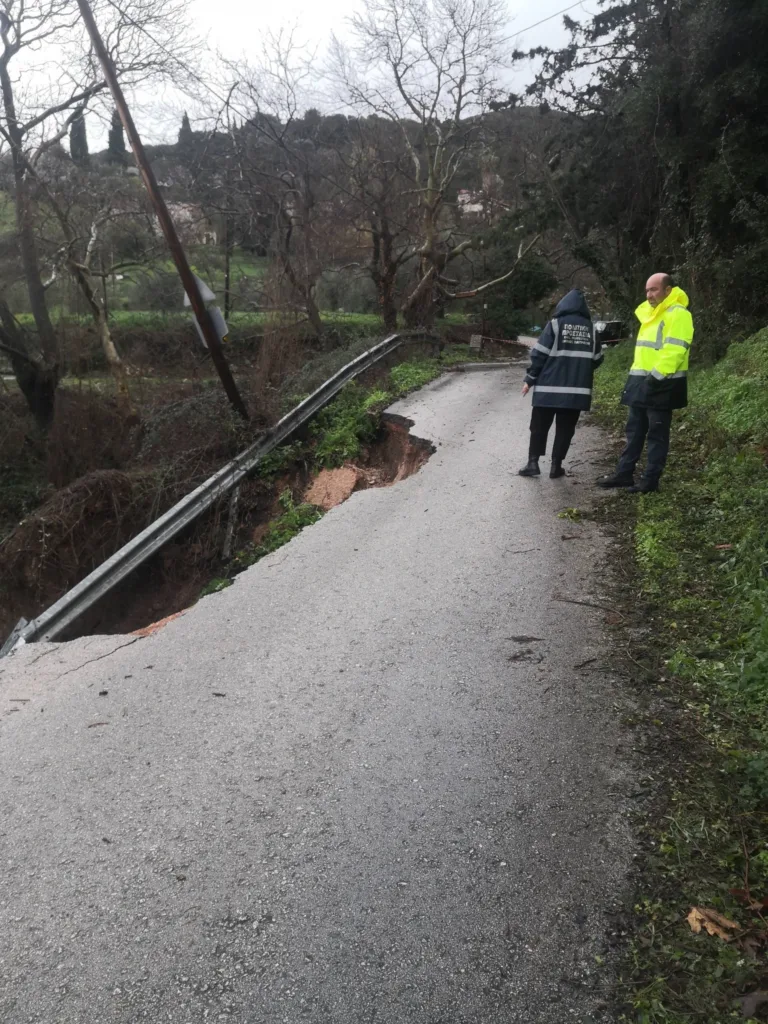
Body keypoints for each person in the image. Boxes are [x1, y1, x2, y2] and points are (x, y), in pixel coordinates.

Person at [598, 273, 694, 493]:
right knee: (634, 431)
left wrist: (655, 379)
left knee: (656, 435)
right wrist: (638, 381)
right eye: (647, 290)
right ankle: (624, 474)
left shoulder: (678, 314)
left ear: (668, 290)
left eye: (654, 289)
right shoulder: (650, 314)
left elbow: (675, 350)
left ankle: (650, 481)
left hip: (662, 384)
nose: (649, 294)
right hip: (641, 382)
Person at [518, 288, 603, 478]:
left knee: (539, 427)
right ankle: (556, 466)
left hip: (548, 389)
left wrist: (530, 379)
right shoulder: (592, 329)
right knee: (565, 429)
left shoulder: (555, 325)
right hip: (576, 393)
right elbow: (597, 359)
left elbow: (539, 354)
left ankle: (533, 463)